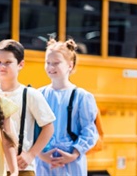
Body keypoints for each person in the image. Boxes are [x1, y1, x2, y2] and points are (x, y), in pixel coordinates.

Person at [35, 38, 98, 176]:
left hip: (71, 162)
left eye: (56, 63)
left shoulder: (82, 96)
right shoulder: (38, 95)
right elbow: (31, 129)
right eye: (48, 63)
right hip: (44, 162)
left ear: (70, 65)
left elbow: (89, 130)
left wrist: (74, 153)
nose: (51, 67)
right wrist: (40, 154)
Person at [0, 39, 55, 176]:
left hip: (21, 168)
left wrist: (31, 154)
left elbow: (49, 127)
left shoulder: (30, 94)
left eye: (8, 62)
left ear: (21, 64)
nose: (2, 66)